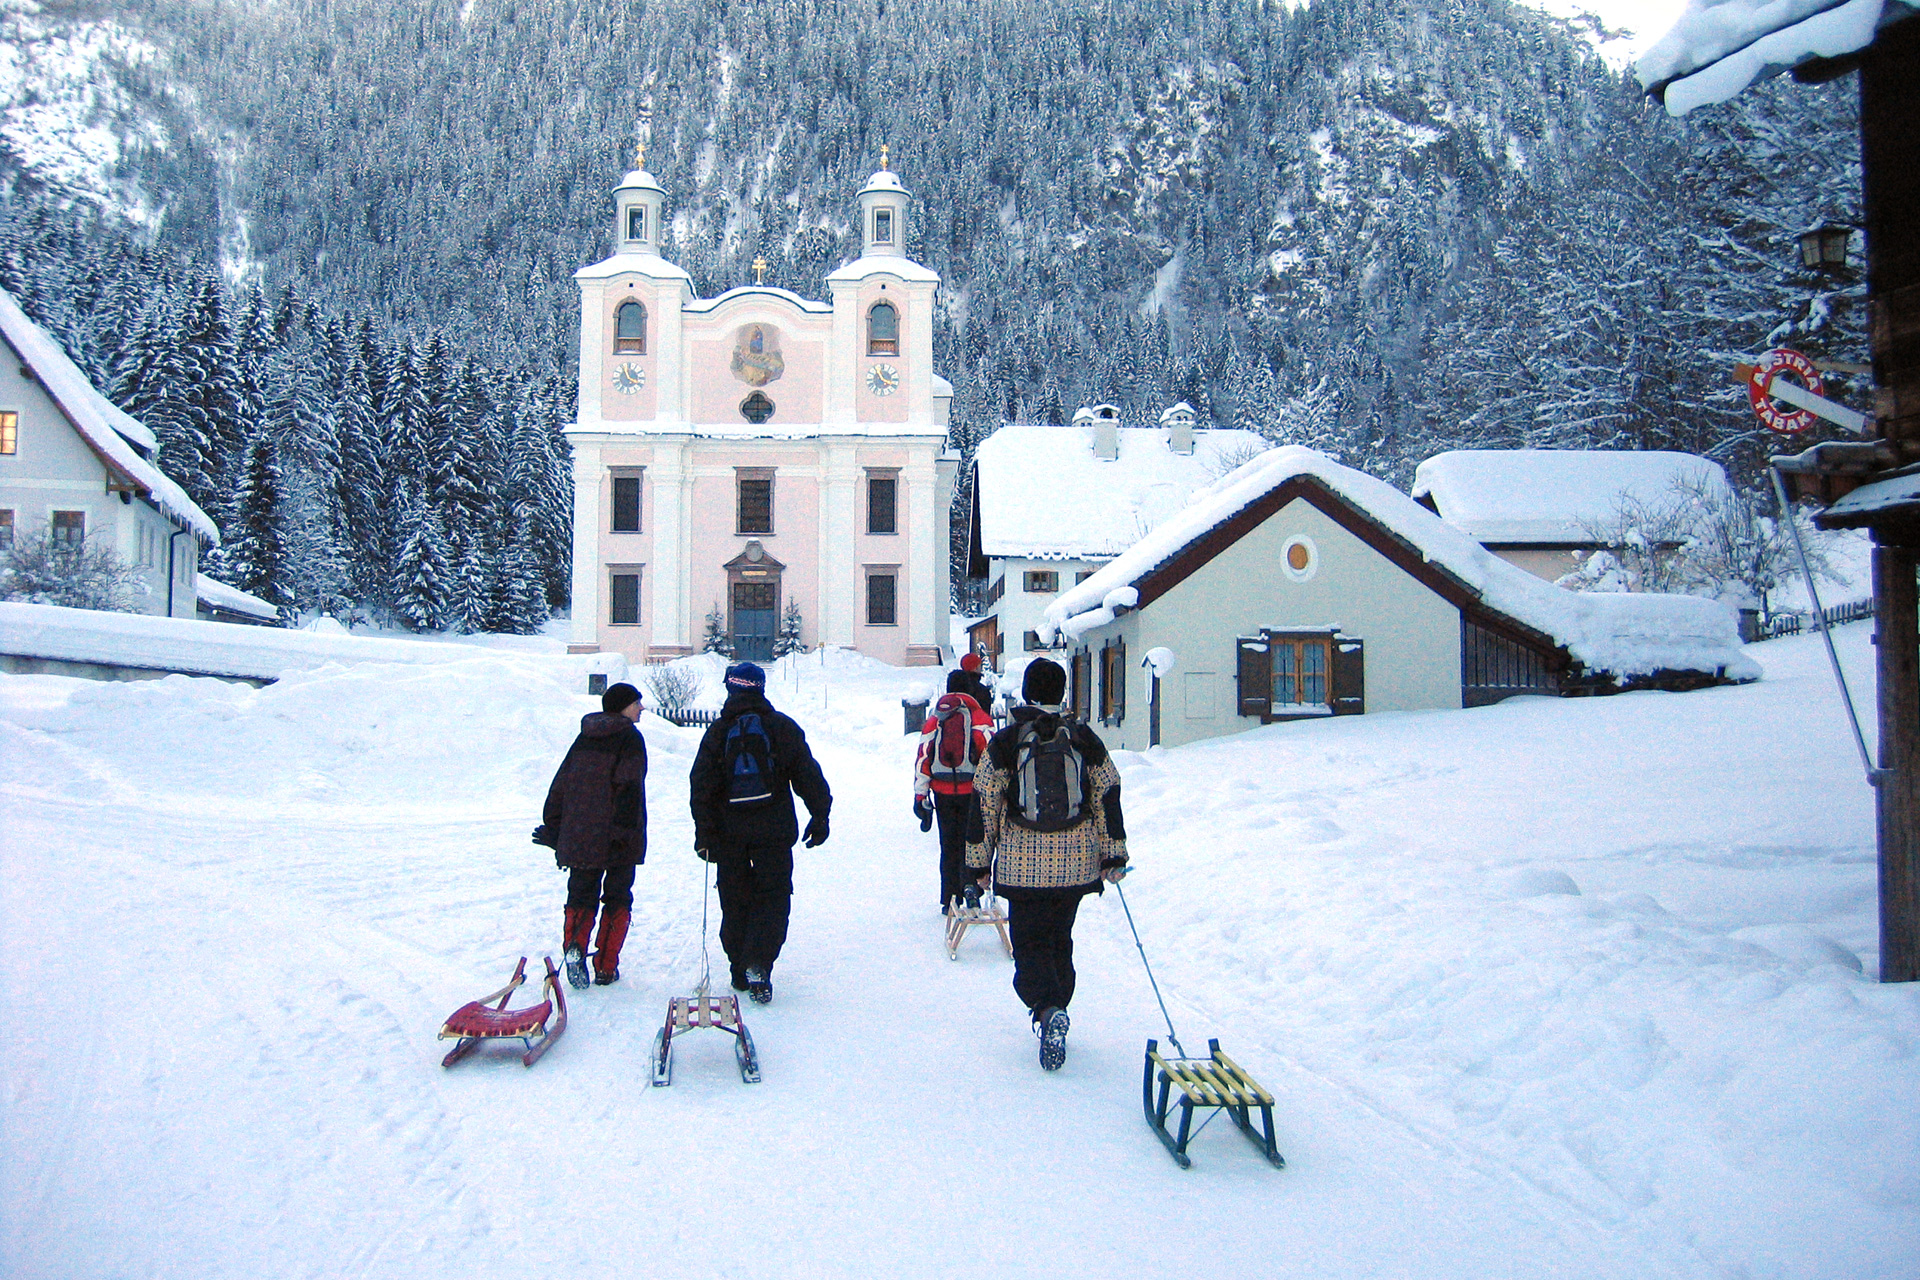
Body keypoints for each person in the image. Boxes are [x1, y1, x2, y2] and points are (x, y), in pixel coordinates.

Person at [965, 657, 1128, 1071]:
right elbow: (1107, 790)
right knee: (1060, 937)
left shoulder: (1007, 741)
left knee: (1030, 943)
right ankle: (1059, 1001)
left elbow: (985, 799)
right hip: (1076, 866)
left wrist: (978, 866)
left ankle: (1046, 1007)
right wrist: (1113, 853)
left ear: (1026, 692)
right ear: (1061, 693)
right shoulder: (1082, 738)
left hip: (1023, 866)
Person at [688, 661, 832, 1005]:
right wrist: (820, 814)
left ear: (731, 689)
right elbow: (807, 774)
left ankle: (739, 966)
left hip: (728, 834)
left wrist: (704, 833)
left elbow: (701, 785)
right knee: (773, 897)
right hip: (774, 830)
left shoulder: (718, 732)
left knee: (734, 898)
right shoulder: (781, 727)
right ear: (761, 689)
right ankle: (759, 963)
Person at [536, 681, 649, 989]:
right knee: (617, 897)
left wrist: (554, 825)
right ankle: (605, 966)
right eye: (636, 702)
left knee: (580, 894)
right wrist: (625, 831)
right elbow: (628, 786)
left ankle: (574, 947)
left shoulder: (583, 738)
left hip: (581, 834)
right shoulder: (629, 738)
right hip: (617, 836)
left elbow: (561, 782)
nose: (641, 708)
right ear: (623, 706)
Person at [913, 670, 993, 913]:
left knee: (948, 843)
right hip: (973, 792)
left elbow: (923, 755)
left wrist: (920, 795)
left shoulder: (937, 717)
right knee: (972, 841)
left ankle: (949, 897)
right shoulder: (978, 716)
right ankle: (970, 887)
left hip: (942, 791)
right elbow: (991, 755)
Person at [951, 651, 995, 718]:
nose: (981, 668)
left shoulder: (953, 685)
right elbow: (984, 718)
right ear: (975, 668)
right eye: (980, 665)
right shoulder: (982, 691)